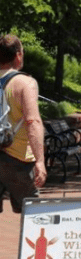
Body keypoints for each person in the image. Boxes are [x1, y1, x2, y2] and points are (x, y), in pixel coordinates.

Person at [0, 35, 46, 213]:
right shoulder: (24, 83)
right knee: (31, 215)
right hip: (18, 158)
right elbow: (32, 122)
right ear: (18, 55)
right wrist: (40, 161)